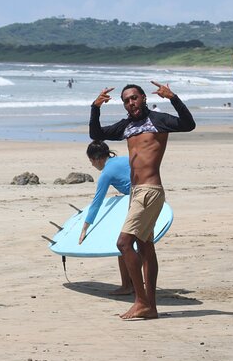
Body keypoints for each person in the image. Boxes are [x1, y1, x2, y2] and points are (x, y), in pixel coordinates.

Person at [89, 81, 195, 319]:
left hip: (150, 190)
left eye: (134, 98)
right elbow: (96, 135)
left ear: (144, 98)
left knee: (124, 244)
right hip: (136, 193)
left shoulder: (159, 121)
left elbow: (188, 125)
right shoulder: (127, 125)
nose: (131, 103)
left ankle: (141, 301)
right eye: (126, 100)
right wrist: (95, 108)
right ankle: (151, 308)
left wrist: (173, 98)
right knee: (145, 247)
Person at [79, 140, 133, 295]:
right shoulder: (125, 159)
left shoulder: (106, 173)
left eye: (91, 161)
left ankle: (127, 286)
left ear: (97, 158)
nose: (92, 165)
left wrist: (85, 227)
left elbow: (97, 202)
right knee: (142, 245)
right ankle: (138, 283)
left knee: (122, 245)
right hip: (152, 196)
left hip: (137, 201)